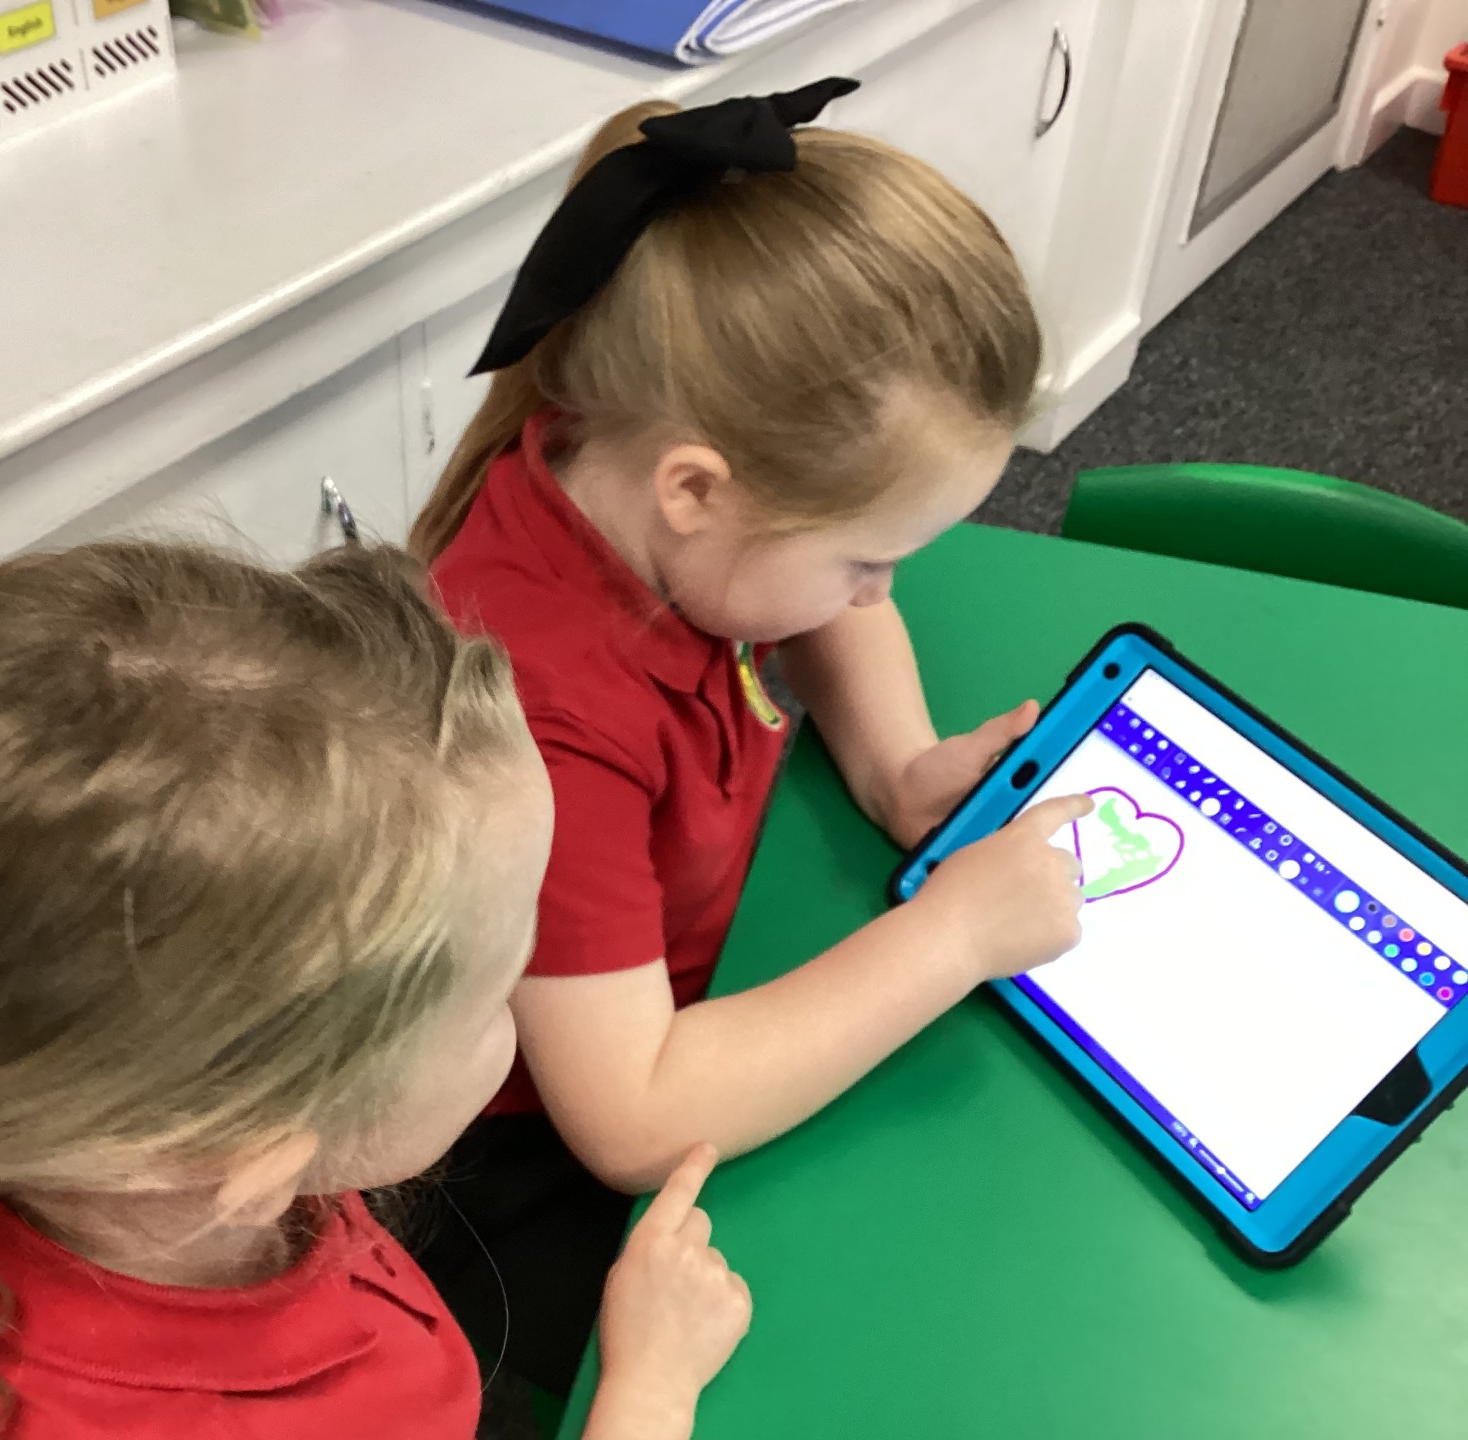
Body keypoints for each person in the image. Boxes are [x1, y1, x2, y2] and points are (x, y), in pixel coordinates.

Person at [0, 541, 750, 1440]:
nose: (521, 1004)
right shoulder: (344, 1410)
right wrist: (650, 1385)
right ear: (252, 1153)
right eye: (497, 992)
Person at [408, 79, 1093, 1395]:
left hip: (664, 999)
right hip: (517, 1152)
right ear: (698, 490)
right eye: (867, 558)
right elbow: (632, 1118)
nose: (879, 595)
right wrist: (953, 936)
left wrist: (899, 765)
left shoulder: (646, 500)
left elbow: (814, 604)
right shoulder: (545, 726)